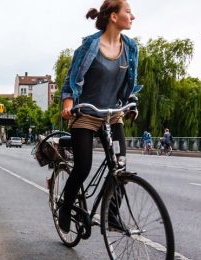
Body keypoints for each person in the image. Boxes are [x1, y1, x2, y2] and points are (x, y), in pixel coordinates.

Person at [59, 0, 141, 233]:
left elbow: (130, 84)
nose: (132, 17)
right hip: (85, 114)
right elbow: (71, 80)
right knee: (83, 167)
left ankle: (112, 214)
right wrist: (68, 103)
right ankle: (66, 206)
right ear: (114, 17)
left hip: (112, 115)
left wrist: (131, 103)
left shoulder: (131, 48)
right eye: (128, 12)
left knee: (120, 165)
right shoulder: (90, 46)